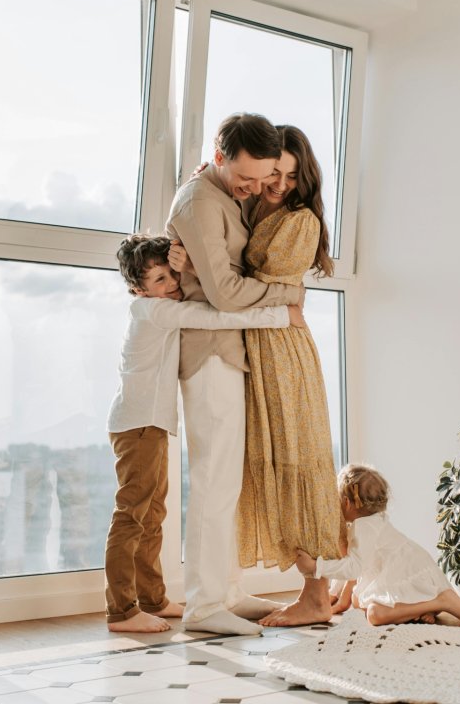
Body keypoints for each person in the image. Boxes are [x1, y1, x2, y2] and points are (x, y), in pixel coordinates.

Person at [104, 233, 302, 633]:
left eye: (169, 276)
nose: (171, 286)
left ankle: (154, 599)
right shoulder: (151, 311)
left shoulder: (158, 306)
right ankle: (121, 611)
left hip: (150, 424)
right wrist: (281, 314)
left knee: (153, 514)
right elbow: (214, 318)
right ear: (138, 288)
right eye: (159, 281)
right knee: (133, 515)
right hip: (137, 424)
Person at [166, 114, 303, 636]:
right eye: (246, 179)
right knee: (212, 482)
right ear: (220, 158)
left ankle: (224, 590)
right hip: (209, 352)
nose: (254, 189)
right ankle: (202, 608)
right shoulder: (201, 200)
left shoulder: (224, 192)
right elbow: (223, 294)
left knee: (227, 481)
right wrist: (285, 296)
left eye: (262, 179)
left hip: (231, 351)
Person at [235, 124, 345, 628]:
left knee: (293, 461)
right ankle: (316, 592)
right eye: (274, 170)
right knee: (270, 462)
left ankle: (315, 594)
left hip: (281, 350)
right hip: (261, 342)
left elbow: (256, 282)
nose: (280, 181)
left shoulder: (300, 220)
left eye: (291, 174)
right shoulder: (257, 206)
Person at [295, 463, 460, 627]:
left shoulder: (364, 527)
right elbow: (353, 570)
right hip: (411, 566)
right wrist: (335, 596)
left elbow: (353, 569)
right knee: (359, 600)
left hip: (407, 571)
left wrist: (315, 566)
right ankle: (425, 606)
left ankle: (440, 602)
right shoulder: (371, 520)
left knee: (374, 615)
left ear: (346, 503)